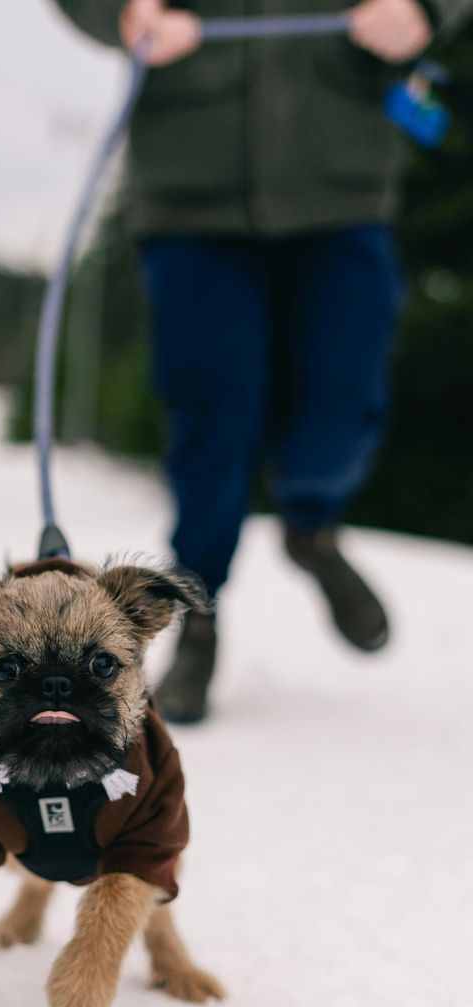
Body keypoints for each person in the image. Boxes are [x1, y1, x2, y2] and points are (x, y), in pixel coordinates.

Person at [51, 0, 471, 722]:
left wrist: (426, 8)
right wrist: (123, 12)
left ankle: (311, 528)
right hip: (192, 197)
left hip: (343, 185)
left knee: (343, 397)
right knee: (214, 411)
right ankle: (199, 608)